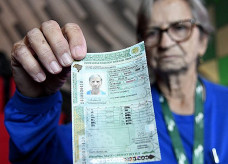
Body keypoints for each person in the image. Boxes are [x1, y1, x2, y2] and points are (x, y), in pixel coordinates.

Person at [4, 0, 228, 163]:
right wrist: (35, 101)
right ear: (140, 46)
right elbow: (38, 157)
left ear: (203, 41)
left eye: (180, 27)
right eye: (152, 32)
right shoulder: (115, 111)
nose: (166, 42)